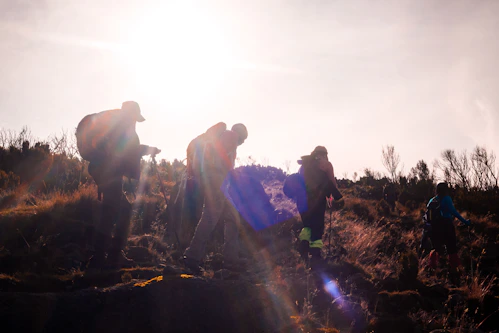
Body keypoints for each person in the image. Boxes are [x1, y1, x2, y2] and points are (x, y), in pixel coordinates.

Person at [76, 101, 161, 269]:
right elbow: (127, 151)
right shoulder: (120, 128)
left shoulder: (116, 125)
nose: (135, 121)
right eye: (135, 117)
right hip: (108, 170)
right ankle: (100, 256)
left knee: (123, 209)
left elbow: (126, 150)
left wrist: (145, 150)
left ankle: (111, 254)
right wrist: (147, 150)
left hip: (104, 169)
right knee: (112, 210)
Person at [182, 123, 248, 274]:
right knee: (211, 217)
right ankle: (193, 257)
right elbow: (223, 159)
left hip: (214, 179)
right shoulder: (231, 136)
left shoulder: (221, 136)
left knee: (231, 218)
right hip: (218, 179)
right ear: (241, 134)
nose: (242, 142)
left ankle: (230, 259)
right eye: (243, 139)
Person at [285, 146, 342, 266]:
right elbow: (331, 182)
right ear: (325, 154)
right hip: (317, 200)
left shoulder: (305, 164)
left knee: (307, 225)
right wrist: (333, 198)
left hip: (302, 200)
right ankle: (315, 255)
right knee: (318, 226)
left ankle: (303, 247)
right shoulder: (326, 164)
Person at [427, 182, 471, 283]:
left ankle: (432, 268)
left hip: (434, 228)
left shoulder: (432, 200)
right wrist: (465, 222)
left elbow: (427, 217)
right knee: (452, 248)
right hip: (447, 226)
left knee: (436, 248)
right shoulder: (446, 199)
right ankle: (454, 270)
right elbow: (453, 212)